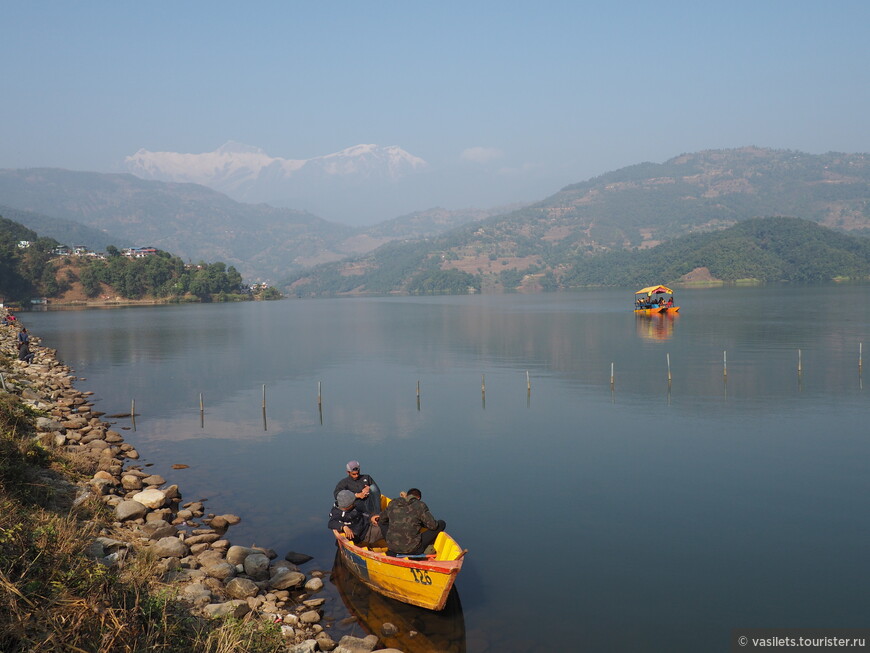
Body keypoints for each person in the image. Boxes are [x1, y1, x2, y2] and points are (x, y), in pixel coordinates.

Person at [377, 488, 446, 556]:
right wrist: (421, 523)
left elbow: (382, 519)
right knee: (441, 523)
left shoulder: (393, 503)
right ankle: (428, 546)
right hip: (413, 550)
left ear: (407, 495)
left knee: (381, 522)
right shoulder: (420, 505)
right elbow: (433, 526)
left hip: (392, 548)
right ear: (418, 498)